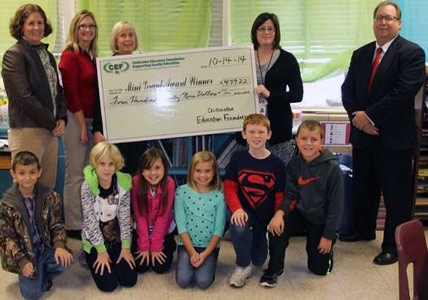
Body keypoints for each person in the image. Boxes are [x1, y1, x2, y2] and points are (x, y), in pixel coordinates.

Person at [341, 1, 426, 265]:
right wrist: (359, 119)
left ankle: (392, 245)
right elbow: (348, 90)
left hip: (394, 140)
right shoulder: (361, 53)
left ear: (399, 23)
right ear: (373, 22)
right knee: (363, 188)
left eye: (390, 18)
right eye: (379, 17)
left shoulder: (412, 52)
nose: (383, 22)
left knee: (395, 196)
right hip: (364, 135)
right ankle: (363, 230)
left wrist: (371, 116)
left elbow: (404, 92)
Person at [267, 121, 343, 287]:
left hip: (321, 220)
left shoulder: (332, 168)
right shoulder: (294, 164)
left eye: (313, 139)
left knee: (319, 270)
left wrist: (328, 235)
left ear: (321, 141)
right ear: (296, 140)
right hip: (301, 214)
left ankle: (325, 250)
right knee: (276, 227)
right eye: (304, 138)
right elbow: (290, 195)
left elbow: (336, 206)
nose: (308, 143)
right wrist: (279, 214)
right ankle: (274, 269)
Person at [2, 4, 67, 189]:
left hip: (50, 132)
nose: (37, 27)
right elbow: (24, 97)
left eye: (40, 23)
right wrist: (52, 122)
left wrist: (62, 118)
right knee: (25, 191)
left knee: (46, 190)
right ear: (21, 26)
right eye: (31, 23)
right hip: (27, 132)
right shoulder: (14, 55)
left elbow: (58, 90)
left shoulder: (47, 55)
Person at [0, 151, 73, 299]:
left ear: (39, 172)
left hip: (45, 247)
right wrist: (22, 261)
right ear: (13, 174)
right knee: (31, 294)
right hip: (25, 253)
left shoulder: (51, 197)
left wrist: (59, 246)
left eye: (32, 172)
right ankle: (38, 275)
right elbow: (6, 238)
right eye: (22, 173)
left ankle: (41, 271)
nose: (27, 177)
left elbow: (57, 224)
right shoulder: (6, 204)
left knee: (67, 261)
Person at [225, 114, 285, 288]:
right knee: (238, 226)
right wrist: (236, 208)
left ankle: (257, 242)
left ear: (269, 134)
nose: (256, 136)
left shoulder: (277, 164)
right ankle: (242, 266)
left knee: (259, 261)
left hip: (265, 217)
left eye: (261, 132)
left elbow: (280, 195)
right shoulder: (238, 158)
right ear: (244, 135)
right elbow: (229, 187)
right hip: (245, 214)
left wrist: (276, 216)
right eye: (251, 132)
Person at [59, 9, 99, 237]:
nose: (87, 30)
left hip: (88, 118)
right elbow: (71, 93)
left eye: (91, 26)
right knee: (75, 175)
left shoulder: (89, 56)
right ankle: (74, 225)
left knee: (87, 174)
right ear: (75, 28)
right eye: (83, 25)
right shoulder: (70, 55)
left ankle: (86, 220)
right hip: (76, 119)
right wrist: (82, 124)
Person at [92, 21, 148, 176]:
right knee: (115, 174)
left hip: (137, 132)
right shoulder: (105, 67)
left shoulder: (142, 65)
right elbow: (98, 101)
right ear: (115, 41)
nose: (128, 39)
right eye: (123, 35)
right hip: (113, 132)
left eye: (131, 35)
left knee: (135, 174)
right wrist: (97, 129)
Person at [81, 142, 137, 291]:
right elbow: (90, 221)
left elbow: (124, 218)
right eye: (102, 163)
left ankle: (116, 256)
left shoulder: (123, 184)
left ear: (116, 164)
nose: (107, 168)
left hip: (116, 238)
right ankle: (90, 256)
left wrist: (126, 248)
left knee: (129, 280)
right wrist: (100, 251)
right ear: (95, 164)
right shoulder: (87, 186)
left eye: (111, 164)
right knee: (108, 285)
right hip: (95, 242)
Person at [249, 12, 303, 167]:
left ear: (276, 32)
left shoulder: (288, 60)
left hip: (278, 128)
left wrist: (270, 95)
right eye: (261, 28)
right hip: (250, 128)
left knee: (278, 174)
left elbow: (297, 94)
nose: (266, 32)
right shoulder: (242, 57)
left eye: (270, 29)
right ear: (255, 32)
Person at [174, 151, 226, 289]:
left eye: (207, 171)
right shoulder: (181, 192)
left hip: (209, 246)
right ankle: (193, 259)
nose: (203, 175)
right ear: (191, 171)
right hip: (187, 244)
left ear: (214, 172)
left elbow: (218, 229)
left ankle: (209, 260)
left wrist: (205, 254)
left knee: (203, 282)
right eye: (198, 171)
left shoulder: (219, 195)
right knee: (183, 281)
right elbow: (181, 226)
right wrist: (192, 252)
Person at [131, 148, 176, 274]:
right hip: (143, 228)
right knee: (141, 266)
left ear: (164, 169)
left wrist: (156, 247)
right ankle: (145, 245)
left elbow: (163, 217)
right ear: (142, 171)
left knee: (160, 267)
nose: (153, 173)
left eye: (157, 168)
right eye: (148, 168)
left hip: (164, 230)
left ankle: (170, 245)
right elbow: (139, 216)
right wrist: (144, 247)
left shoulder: (170, 183)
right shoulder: (136, 182)